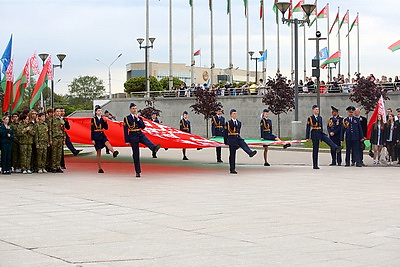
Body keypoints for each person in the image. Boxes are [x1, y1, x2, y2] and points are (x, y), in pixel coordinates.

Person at [124, 102, 161, 178]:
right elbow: (125, 130)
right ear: (130, 109)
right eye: (133, 109)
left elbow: (143, 127)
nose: (135, 110)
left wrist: (138, 120)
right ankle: (137, 171)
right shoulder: (127, 118)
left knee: (147, 141)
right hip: (133, 136)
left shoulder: (139, 117)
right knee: (136, 154)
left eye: (135, 108)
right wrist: (127, 140)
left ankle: (154, 148)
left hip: (139, 133)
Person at [306, 105, 341, 169]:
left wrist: (321, 136)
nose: (317, 111)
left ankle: (335, 147)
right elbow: (308, 128)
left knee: (327, 138)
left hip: (320, 132)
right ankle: (315, 164)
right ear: (313, 110)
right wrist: (307, 137)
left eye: (318, 110)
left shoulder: (320, 117)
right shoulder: (310, 118)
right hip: (314, 133)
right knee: (315, 149)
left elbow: (321, 126)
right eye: (316, 109)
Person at [224, 109, 257, 174]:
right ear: (231, 115)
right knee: (232, 155)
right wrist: (226, 141)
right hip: (231, 138)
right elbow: (225, 133)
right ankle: (232, 169)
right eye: (233, 114)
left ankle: (250, 153)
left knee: (243, 143)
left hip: (237, 137)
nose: (235, 115)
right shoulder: (228, 123)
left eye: (236, 114)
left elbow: (238, 131)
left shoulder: (239, 122)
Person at [91, 105, 119, 173]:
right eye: (98, 111)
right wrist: (92, 139)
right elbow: (92, 129)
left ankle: (113, 152)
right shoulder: (93, 119)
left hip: (102, 134)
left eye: (101, 110)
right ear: (96, 112)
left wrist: (105, 122)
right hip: (96, 136)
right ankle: (100, 168)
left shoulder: (103, 119)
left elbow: (106, 128)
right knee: (99, 152)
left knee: (107, 142)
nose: (100, 112)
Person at [51, 107, 66, 173]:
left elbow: (64, 130)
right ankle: (53, 167)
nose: (58, 113)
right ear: (54, 112)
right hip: (54, 137)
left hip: (60, 137)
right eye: (57, 111)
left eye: (59, 111)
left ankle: (58, 166)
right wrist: (50, 139)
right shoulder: (52, 120)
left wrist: (64, 139)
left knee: (59, 153)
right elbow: (50, 130)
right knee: (54, 153)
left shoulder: (62, 120)